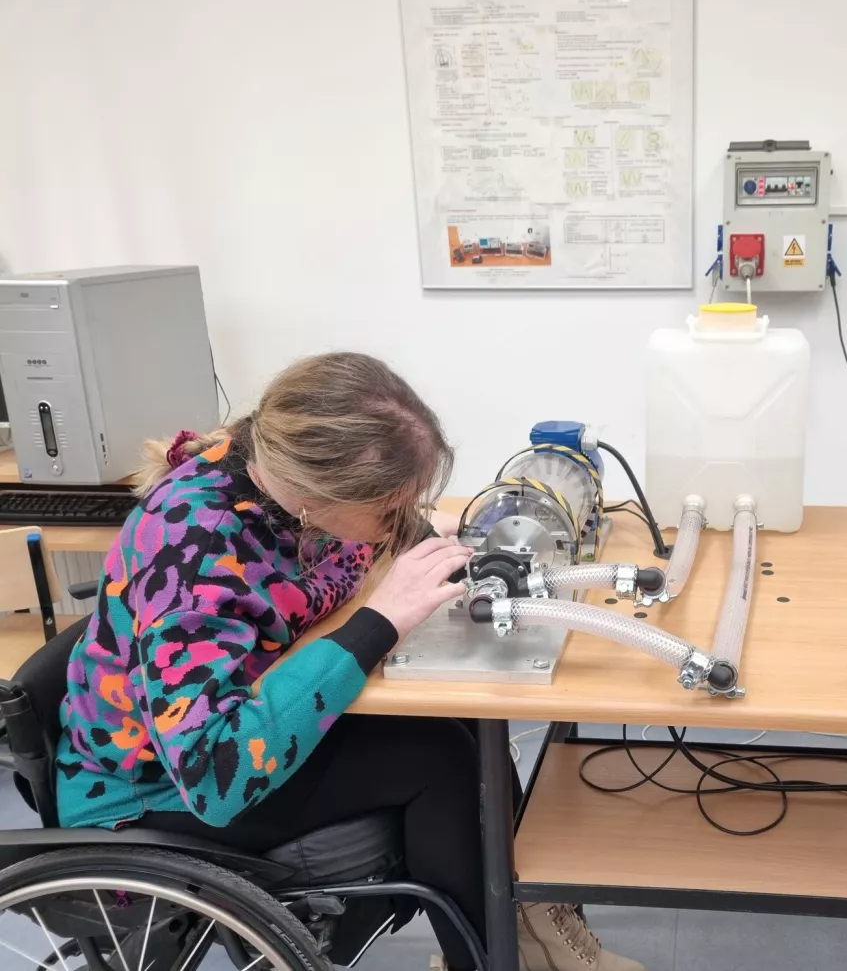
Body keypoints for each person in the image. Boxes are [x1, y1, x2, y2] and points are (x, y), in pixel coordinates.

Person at [55, 352, 643, 971]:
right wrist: (379, 622)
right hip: (151, 791)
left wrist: (442, 540)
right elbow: (213, 775)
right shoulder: (196, 553)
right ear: (320, 500)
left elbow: (349, 551)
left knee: (474, 715)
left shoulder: (272, 471)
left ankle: (530, 932)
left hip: (231, 719)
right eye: (389, 509)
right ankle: (493, 961)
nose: (397, 521)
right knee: (436, 758)